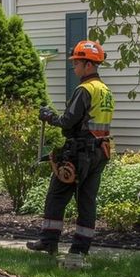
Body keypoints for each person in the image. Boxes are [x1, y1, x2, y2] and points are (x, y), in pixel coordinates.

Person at [26, 40, 115, 265]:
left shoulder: (84, 89)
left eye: (76, 63)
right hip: (100, 151)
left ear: (88, 64)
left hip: (79, 152)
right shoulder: (105, 91)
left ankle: (48, 241)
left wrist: (49, 116)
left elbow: (67, 121)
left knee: (57, 195)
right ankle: (79, 250)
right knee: (87, 201)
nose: (74, 67)